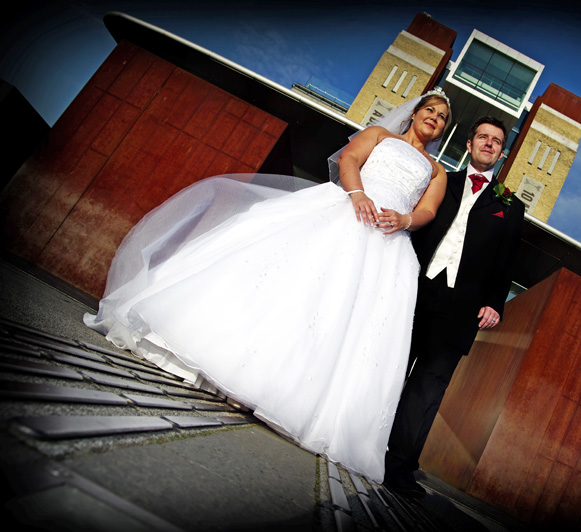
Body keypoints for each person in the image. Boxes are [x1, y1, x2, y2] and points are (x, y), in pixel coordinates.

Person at [84, 90, 451, 482]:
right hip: (348, 211)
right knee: (297, 289)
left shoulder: (437, 170)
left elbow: (427, 210)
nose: (434, 117)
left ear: (443, 129)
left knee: (342, 317)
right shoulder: (380, 134)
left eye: (442, 117)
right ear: (414, 113)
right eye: (430, 110)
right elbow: (349, 159)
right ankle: (231, 371)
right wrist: (357, 194)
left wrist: (404, 220)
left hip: (388, 241)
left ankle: (287, 397)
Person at [383, 116, 525, 497]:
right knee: (389, 367)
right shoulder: (441, 180)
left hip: (460, 309)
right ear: (469, 144)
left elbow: (507, 260)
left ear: (501, 152)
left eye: (497, 141)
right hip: (414, 286)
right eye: (483, 137)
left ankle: (398, 467)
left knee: (428, 388)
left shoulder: (510, 205)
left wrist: (495, 302)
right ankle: (361, 441)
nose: (489, 144)